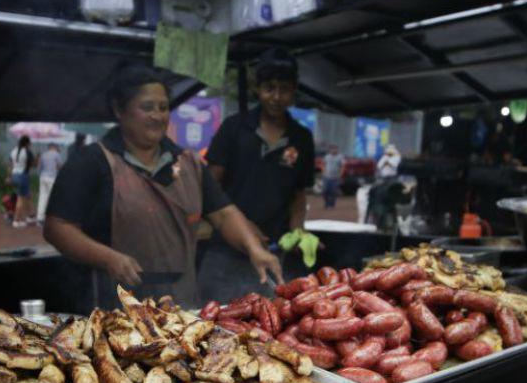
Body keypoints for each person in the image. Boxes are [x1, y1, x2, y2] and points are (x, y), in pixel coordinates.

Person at [44, 64, 282, 310]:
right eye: (147, 107)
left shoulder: (188, 164)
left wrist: (254, 249)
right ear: (119, 110)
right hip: (116, 307)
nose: (157, 116)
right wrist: (108, 258)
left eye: (163, 107)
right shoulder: (92, 162)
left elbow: (223, 214)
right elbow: (57, 227)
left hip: (181, 306)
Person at [200, 47, 314, 300]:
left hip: (272, 252)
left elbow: (298, 195)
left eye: (284, 89)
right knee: (213, 315)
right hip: (225, 252)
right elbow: (210, 186)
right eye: (269, 88)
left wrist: (298, 232)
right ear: (257, 88)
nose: (276, 96)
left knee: (268, 314)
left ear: (294, 91)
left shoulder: (302, 138)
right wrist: (241, 226)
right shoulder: (234, 128)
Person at [364, 143, 401, 224]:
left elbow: (394, 165)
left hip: (392, 178)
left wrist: (387, 163)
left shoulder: (397, 157)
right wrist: (386, 162)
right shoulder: (384, 157)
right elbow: (379, 165)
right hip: (383, 177)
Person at [8, 135, 34, 227]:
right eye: (29, 143)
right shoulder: (27, 152)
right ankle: (16, 220)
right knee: (21, 198)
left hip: (15, 175)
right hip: (23, 176)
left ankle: (31, 215)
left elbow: (10, 165)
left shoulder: (13, 151)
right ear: (27, 143)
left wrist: (9, 176)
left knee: (27, 195)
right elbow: (32, 165)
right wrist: (37, 158)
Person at [36, 143, 64, 223]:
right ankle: (53, 216)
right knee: (54, 198)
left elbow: (39, 167)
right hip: (52, 178)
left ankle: (40, 217)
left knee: (42, 197)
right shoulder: (56, 154)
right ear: (54, 146)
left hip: (43, 177)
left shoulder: (43, 155)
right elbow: (60, 166)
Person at [321, 144, 344, 209]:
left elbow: (342, 166)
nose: (334, 150)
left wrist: (340, 174)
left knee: (333, 191)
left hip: (335, 177)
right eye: (332, 149)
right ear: (330, 150)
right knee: (325, 191)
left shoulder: (340, 157)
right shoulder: (327, 157)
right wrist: (323, 172)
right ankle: (326, 203)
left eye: (335, 149)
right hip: (327, 176)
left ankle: (331, 205)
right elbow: (323, 164)